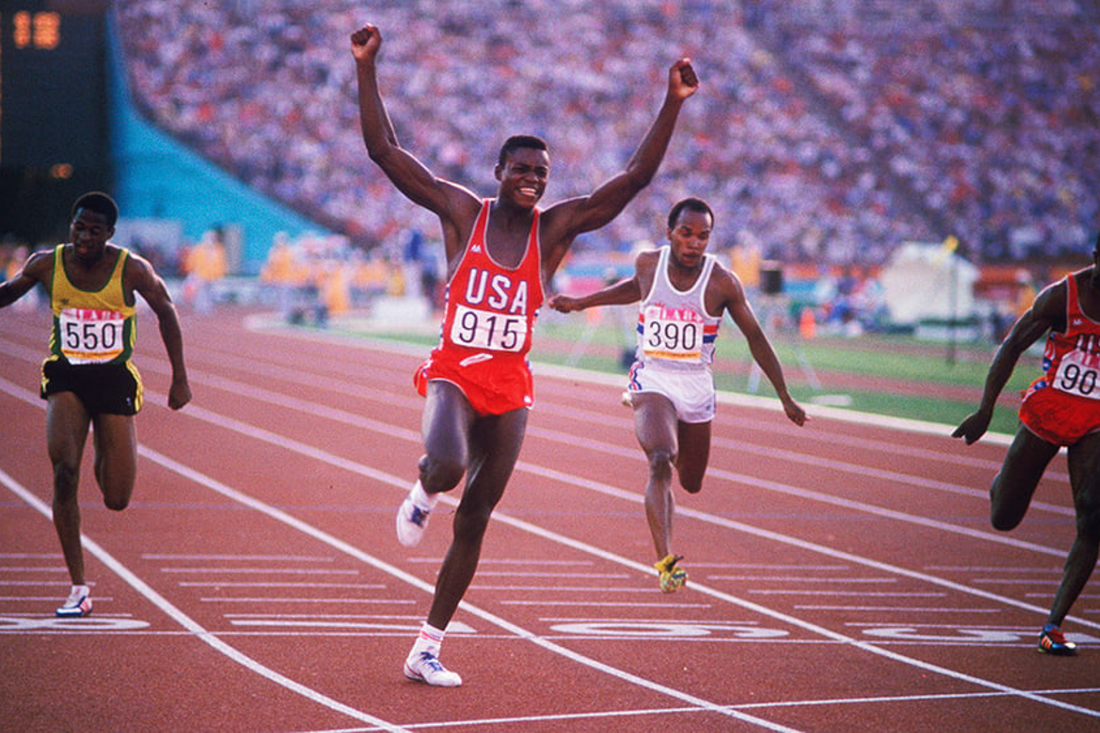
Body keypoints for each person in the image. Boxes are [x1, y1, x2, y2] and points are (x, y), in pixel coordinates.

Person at [351, 23, 697, 686]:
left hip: (510, 385)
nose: (532, 179)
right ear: (498, 173)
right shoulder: (461, 212)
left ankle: (426, 644)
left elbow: (632, 181)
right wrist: (368, 66)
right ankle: (424, 487)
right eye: (521, 169)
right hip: (455, 370)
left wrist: (672, 103)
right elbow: (385, 150)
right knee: (448, 464)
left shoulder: (556, 228)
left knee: (477, 514)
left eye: (541, 172)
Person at [549, 197, 807, 592]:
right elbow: (635, 288)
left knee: (691, 481)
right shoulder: (649, 264)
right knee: (659, 459)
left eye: (703, 236)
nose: (694, 243)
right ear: (669, 232)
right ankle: (667, 562)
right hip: (653, 376)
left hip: (696, 384)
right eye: (686, 234)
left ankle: (661, 439)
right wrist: (582, 303)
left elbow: (755, 336)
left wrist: (784, 396)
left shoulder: (722, 281)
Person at [0, 192, 191, 617]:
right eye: (78, 227)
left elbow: (167, 310)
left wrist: (179, 378)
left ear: (110, 234)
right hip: (67, 374)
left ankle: (107, 440)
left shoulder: (131, 269)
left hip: (113, 378)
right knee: (64, 472)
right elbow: (8, 294)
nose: (84, 237)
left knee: (117, 496)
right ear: (70, 226)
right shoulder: (47, 263)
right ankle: (79, 588)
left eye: (94, 231)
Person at [953, 233, 1100, 657]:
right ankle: (1003, 481)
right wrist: (984, 411)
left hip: (1096, 419)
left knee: (1092, 517)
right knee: (1004, 517)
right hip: (1051, 407)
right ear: (1095, 257)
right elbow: (1013, 345)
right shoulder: (1062, 296)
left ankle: (1053, 624)